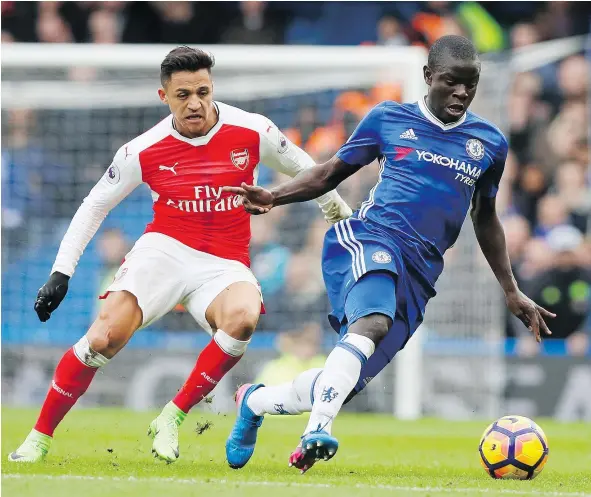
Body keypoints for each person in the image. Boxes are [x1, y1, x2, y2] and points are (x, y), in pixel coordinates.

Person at [223, 35, 555, 474]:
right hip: (370, 238)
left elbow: (486, 216)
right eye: (452, 82)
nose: (461, 93)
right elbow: (329, 173)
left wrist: (511, 290)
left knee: (344, 382)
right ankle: (315, 433)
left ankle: (255, 401)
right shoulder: (388, 119)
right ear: (428, 77)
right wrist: (274, 195)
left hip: (421, 270)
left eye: (470, 85)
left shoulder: (489, 143)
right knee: (373, 322)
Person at [8, 46, 352, 463]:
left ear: (213, 89)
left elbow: (307, 170)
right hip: (164, 251)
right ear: (164, 97)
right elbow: (95, 205)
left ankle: (171, 417)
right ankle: (39, 437)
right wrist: (61, 272)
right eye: (183, 94)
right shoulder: (144, 149)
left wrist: (340, 215)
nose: (195, 103)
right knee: (103, 338)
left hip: (224, 262)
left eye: (203, 91)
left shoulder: (252, 130)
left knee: (243, 317)